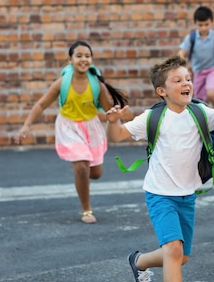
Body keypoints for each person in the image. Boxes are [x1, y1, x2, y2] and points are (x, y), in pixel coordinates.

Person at [105, 55, 214, 282]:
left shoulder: (201, 113)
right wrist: (112, 122)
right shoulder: (152, 118)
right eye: (177, 81)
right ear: (161, 91)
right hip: (160, 194)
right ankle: (142, 262)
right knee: (174, 251)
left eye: (187, 79)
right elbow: (116, 136)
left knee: (181, 256)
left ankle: (138, 261)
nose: (186, 83)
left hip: (187, 195)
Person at [13, 40, 129, 224]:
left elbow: (109, 112)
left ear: (91, 60)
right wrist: (26, 125)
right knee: (82, 168)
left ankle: (81, 170)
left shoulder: (97, 85)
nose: (83, 59)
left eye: (87, 56)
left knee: (95, 173)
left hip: (91, 128)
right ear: (70, 60)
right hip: (68, 128)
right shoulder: (62, 82)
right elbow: (42, 104)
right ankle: (86, 210)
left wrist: (122, 123)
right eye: (79, 56)